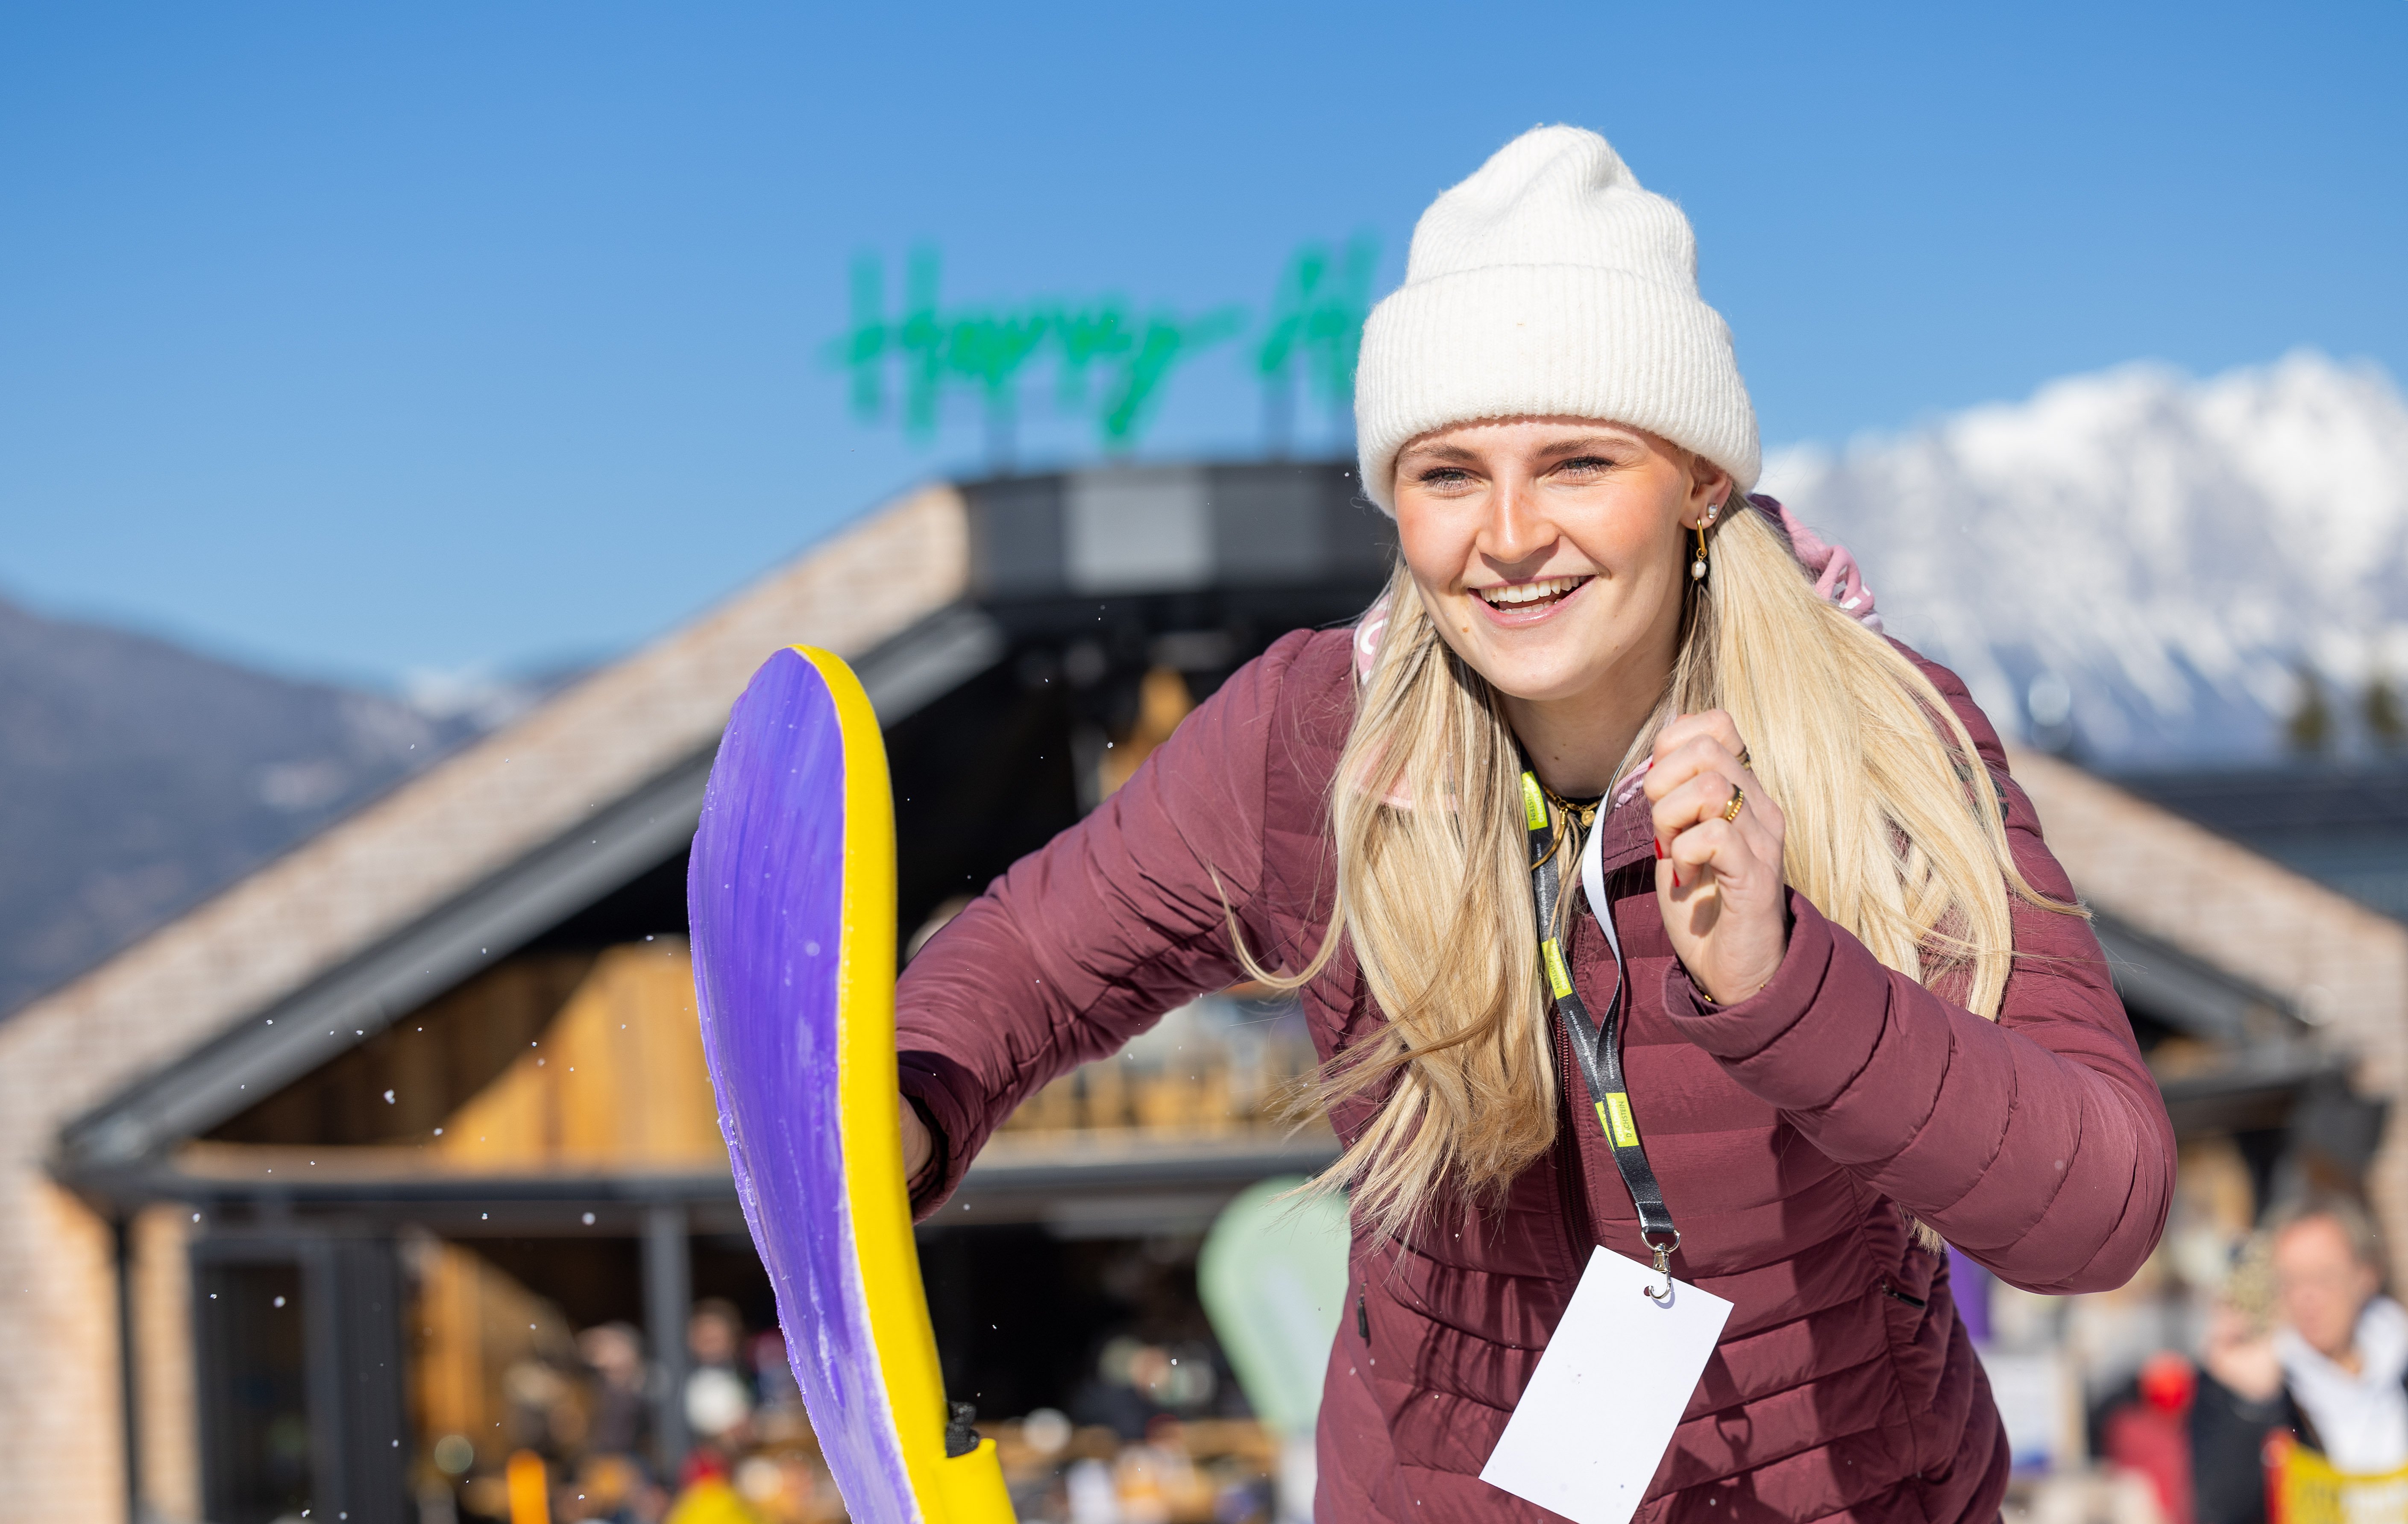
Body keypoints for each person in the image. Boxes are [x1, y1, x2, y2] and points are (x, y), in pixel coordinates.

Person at [894, 124, 2175, 1521]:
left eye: (1574, 462)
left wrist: (1784, 982)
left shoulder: (1873, 733)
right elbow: (1032, 960)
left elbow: (2097, 1209)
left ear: (1697, 480)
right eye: (1447, 473)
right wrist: (897, 1103)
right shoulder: (1311, 740)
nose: (1505, 535)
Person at [2194, 1199, 2408, 1524]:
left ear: (2366, 1275)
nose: (2307, 1296)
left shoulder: (2399, 1361)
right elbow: (2220, 1510)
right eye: (2291, 1281)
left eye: (2324, 1276)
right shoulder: (2257, 1386)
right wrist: (2251, 1408)